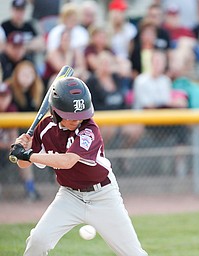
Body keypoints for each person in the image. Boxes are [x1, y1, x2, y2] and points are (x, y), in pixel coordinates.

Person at [9, 76, 148, 255]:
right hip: (69, 196)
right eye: (71, 116)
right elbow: (22, 164)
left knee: (133, 253)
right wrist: (22, 148)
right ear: (56, 112)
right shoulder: (44, 128)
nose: (77, 120)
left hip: (103, 196)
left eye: (80, 116)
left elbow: (67, 161)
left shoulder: (90, 130)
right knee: (38, 241)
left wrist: (29, 155)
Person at [5, 60, 44, 200]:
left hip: (26, 136)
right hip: (7, 132)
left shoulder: (37, 90)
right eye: (24, 74)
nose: (27, 77)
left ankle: (30, 189)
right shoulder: (8, 88)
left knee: (26, 153)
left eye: (30, 74)